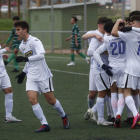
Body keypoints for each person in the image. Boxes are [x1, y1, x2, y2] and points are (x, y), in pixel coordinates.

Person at [14, 21, 69, 133]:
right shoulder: (22, 45)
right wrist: (24, 73)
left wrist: (26, 59)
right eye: (16, 30)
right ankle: (44, 124)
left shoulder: (35, 41)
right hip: (31, 76)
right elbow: (28, 61)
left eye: (18, 30)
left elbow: (41, 55)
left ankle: (63, 116)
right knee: (32, 99)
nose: (16, 32)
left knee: (50, 100)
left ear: (25, 30)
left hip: (43, 75)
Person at [94, 21, 126, 127]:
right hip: (125, 68)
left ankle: (114, 116)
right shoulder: (124, 36)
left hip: (112, 68)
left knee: (113, 94)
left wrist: (103, 65)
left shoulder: (107, 39)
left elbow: (95, 53)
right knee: (124, 93)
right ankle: (120, 115)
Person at [83, 17, 114, 125]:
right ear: (100, 25)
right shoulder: (96, 35)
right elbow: (90, 51)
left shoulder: (108, 35)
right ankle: (92, 110)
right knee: (94, 94)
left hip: (106, 67)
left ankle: (110, 114)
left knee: (109, 91)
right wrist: (95, 36)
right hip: (97, 68)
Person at [111, 15, 140, 129]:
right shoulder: (134, 32)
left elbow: (113, 32)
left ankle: (135, 114)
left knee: (126, 92)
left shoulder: (130, 34)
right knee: (136, 92)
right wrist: (132, 28)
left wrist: (118, 21)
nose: (129, 25)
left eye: (132, 23)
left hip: (131, 67)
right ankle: (135, 115)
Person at [0, 45, 21, 122]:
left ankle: (8, 117)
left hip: (3, 73)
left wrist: (1, 55)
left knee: (9, 91)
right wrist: (3, 50)